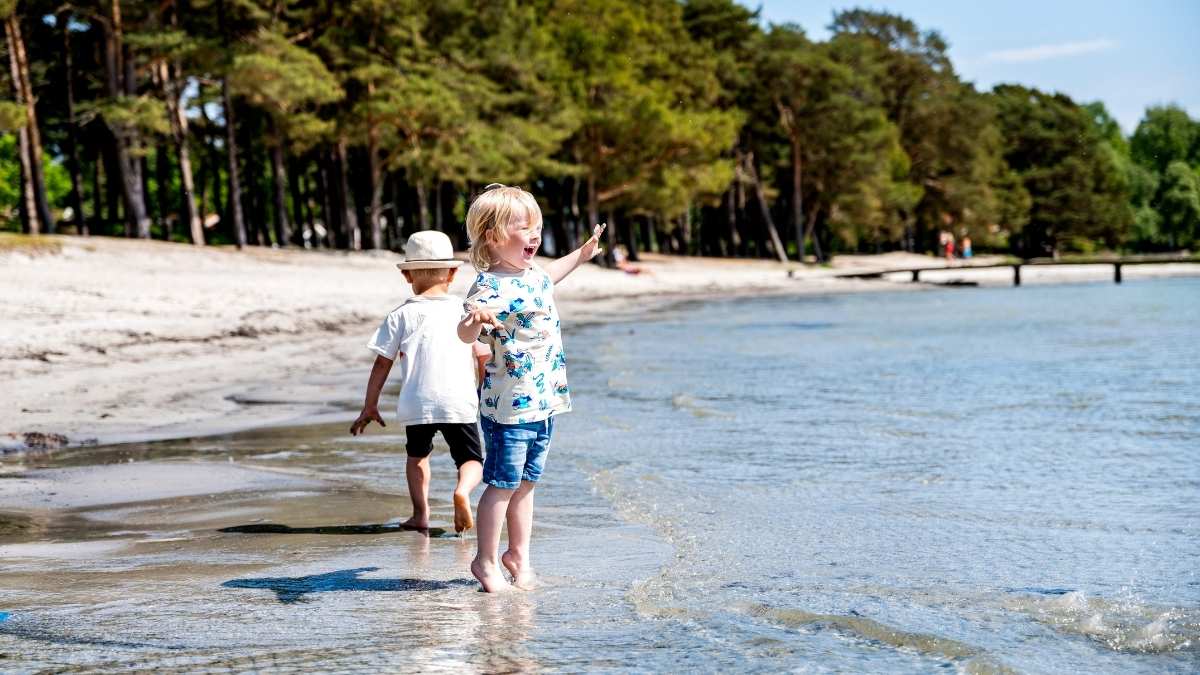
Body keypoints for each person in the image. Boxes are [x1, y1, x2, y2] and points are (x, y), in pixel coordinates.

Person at [457, 184, 605, 592]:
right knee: (502, 484)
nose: (535, 235)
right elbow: (464, 332)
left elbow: (555, 271)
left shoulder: (535, 275)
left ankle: (518, 554)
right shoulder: (488, 286)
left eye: (537, 226)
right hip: (509, 407)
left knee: (527, 484)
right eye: (524, 228)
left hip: (544, 402)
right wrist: (476, 319)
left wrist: (584, 252)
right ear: (493, 237)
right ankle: (485, 561)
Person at [350, 230, 487, 534]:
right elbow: (482, 357)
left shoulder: (400, 315)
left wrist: (370, 405)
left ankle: (421, 514)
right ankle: (463, 491)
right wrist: (485, 392)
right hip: (458, 401)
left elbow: (382, 363)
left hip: (417, 402)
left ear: (407, 276)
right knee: (471, 459)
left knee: (417, 458)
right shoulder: (465, 312)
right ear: (452, 273)